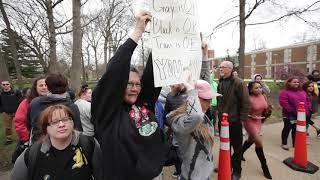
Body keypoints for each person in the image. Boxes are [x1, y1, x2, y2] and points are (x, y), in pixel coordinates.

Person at [91, 11, 168, 179]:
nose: (135, 88)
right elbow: (114, 71)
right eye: (129, 84)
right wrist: (138, 31)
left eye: (137, 84)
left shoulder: (143, 103)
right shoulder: (107, 114)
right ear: (118, 86)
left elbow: (154, 72)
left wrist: (162, 37)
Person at [11, 104, 102, 180]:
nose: (61, 125)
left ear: (73, 122)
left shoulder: (89, 144)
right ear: (45, 128)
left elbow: (103, 174)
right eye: (54, 122)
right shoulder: (31, 155)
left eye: (66, 119)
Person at [166, 79, 215, 180]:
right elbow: (196, 116)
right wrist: (192, 91)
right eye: (205, 99)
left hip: (204, 173)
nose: (209, 103)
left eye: (210, 99)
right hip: (190, 175)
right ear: (192, 98)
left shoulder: (203, 114)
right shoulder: (181, 120)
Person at [217, 61, 250, 180]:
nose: (220, 69)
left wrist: (241, 120)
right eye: (220, 67)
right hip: (222, 121)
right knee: (225, 145)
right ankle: (226, 165)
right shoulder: (220, 82)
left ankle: (237, 171)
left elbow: (246, 103)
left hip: (235, 121)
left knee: (237, 147)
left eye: (223, 67)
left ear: (230, 69)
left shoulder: (239, 83)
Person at [27, 73, 82, 143]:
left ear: (48, 87)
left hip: (39, 143)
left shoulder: (35, 103)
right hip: (63, 143)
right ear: (66, 86)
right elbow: (77, 129)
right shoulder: (72, 106)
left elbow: (29, 125)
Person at [12, 77, 48, 163]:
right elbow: (19, 123)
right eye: (41, 85)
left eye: (46, 85)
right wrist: (27, 139)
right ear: (35, 87)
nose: (44, 87)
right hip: (34, 140)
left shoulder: (53, 100)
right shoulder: (26, 102)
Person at [242, 81, 272, 179]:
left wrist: (268, 111)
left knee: (251, 139)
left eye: (260, 87)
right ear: (250, 90)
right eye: (256, 88)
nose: (259, 89)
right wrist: (249, 115)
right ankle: (265, 167)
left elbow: (265, 108)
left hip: (258, 121)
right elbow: (242, 111)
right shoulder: (248, 99)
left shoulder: (263, 96)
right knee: (259, 142)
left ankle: (239, 153)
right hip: (249, 121)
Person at [279, 76, 310, 150]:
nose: (296, 83)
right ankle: (284, 143)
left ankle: (295, 143)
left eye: (298, 82)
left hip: (301, 115)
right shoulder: (285, 92)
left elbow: (307, 101)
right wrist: (293, 111)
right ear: (289, 83)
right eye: (294, 82)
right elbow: (284, 103)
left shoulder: (302, 92)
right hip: (289, 115)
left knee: (296, 130)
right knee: (287, 128)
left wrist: (308, 109)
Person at [0, 80, 22, 145]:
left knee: (19, 125)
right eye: (3, 84)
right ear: (1, 85)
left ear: (10, 84)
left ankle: (22, 138)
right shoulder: (0, 93)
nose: (5, 86)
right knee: (8, 127)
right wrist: (2, 111)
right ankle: (8, 139)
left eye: (7, 84)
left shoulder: (16, 92)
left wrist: (19, 109)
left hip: (17, 112)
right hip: (7, 113)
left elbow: (21, 100)